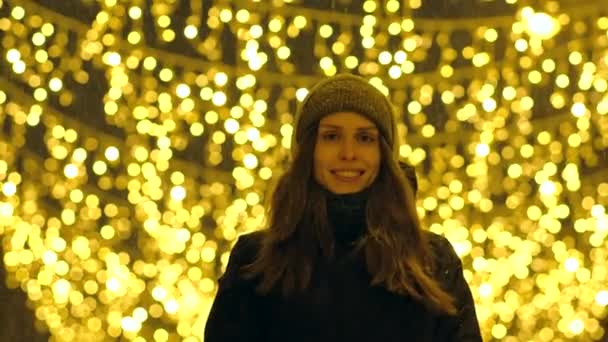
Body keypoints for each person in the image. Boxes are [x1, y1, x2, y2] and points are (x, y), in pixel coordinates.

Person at [204, 74, 482, 341]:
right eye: (332, 136)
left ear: (383, 154)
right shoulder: (256, 260)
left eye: (365, 138)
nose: (348, 153)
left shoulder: (432, 260)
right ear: (308, 150)